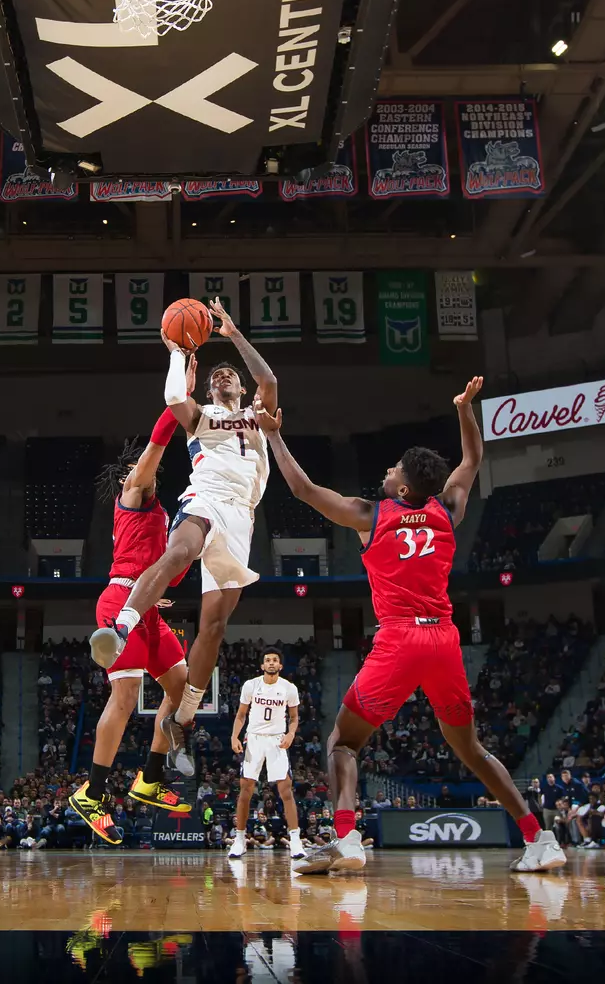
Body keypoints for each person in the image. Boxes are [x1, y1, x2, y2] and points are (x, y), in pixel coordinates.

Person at [262, 378, 564, 875]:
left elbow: (303, 490)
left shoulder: (371, 515)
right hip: (444, 639)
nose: (387, 469)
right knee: (471, 749)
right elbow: (472, 459)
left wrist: (274, 434)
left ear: (402, 488)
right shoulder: (448, 509)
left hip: (400, 638)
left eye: (394, 469)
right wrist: (464, 409)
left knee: (343, 742)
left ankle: (347, 840)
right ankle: (540, 838)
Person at [93, 299, 276, 768]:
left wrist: (233, 334)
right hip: (205, 498)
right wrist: (177, 353)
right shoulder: (200, 416)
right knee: (179, 550)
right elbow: (175, 399)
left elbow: (270, 381)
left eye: (229, 375)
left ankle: (185, 714)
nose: (223, 377)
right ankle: (122, 626)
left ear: (241, 386)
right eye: (216, 377)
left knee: (214, 626)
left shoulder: (260, 414)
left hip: (242, 517)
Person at [68, 406, 197, 844]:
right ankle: (92, 794)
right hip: (120, 601)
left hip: (148, 608)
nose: (147, 471)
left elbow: (162, 568)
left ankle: (150, 779)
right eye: (140, 466)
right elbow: (155, 448)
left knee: (182, 688)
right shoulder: (133, 490)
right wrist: (177, 404)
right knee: (124, 698)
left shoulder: (160, 511)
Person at [227, 650, 305, 859]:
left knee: (285, 789)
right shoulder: (251, 685)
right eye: (267, 660)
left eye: (275, 660)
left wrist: (290, 734)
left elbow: (294, 717)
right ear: (262, 666)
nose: (271, 663)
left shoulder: (289, 688)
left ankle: (295, 840)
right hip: (254, 738)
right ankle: (240, 839)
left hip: (277, 739)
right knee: (246, 789)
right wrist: (234, 737)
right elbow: (241, 715)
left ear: (280, 666)